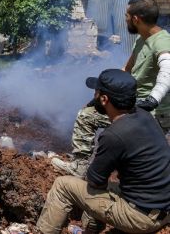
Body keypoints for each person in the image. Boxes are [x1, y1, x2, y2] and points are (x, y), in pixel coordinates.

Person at [37, 69, 170, 234]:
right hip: (163, 208)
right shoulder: (145, 116)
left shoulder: (113, 135)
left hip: (141, 218)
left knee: (63, 185)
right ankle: (92, 230)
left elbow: (95, 181)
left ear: (104, 99)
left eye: (96, 93)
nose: (94, 97)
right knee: (103, 187)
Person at [53, 0, 170, 177]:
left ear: (136, 19)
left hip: (151, 114)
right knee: (91, 111)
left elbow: (167, 71)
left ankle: (80, 169)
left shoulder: (162, 41)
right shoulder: (143, 40)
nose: (125, 19)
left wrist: (153, 99)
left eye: (126, 15)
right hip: (135, 106)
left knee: (86, 117)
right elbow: (126, 70)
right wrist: (99, 96)